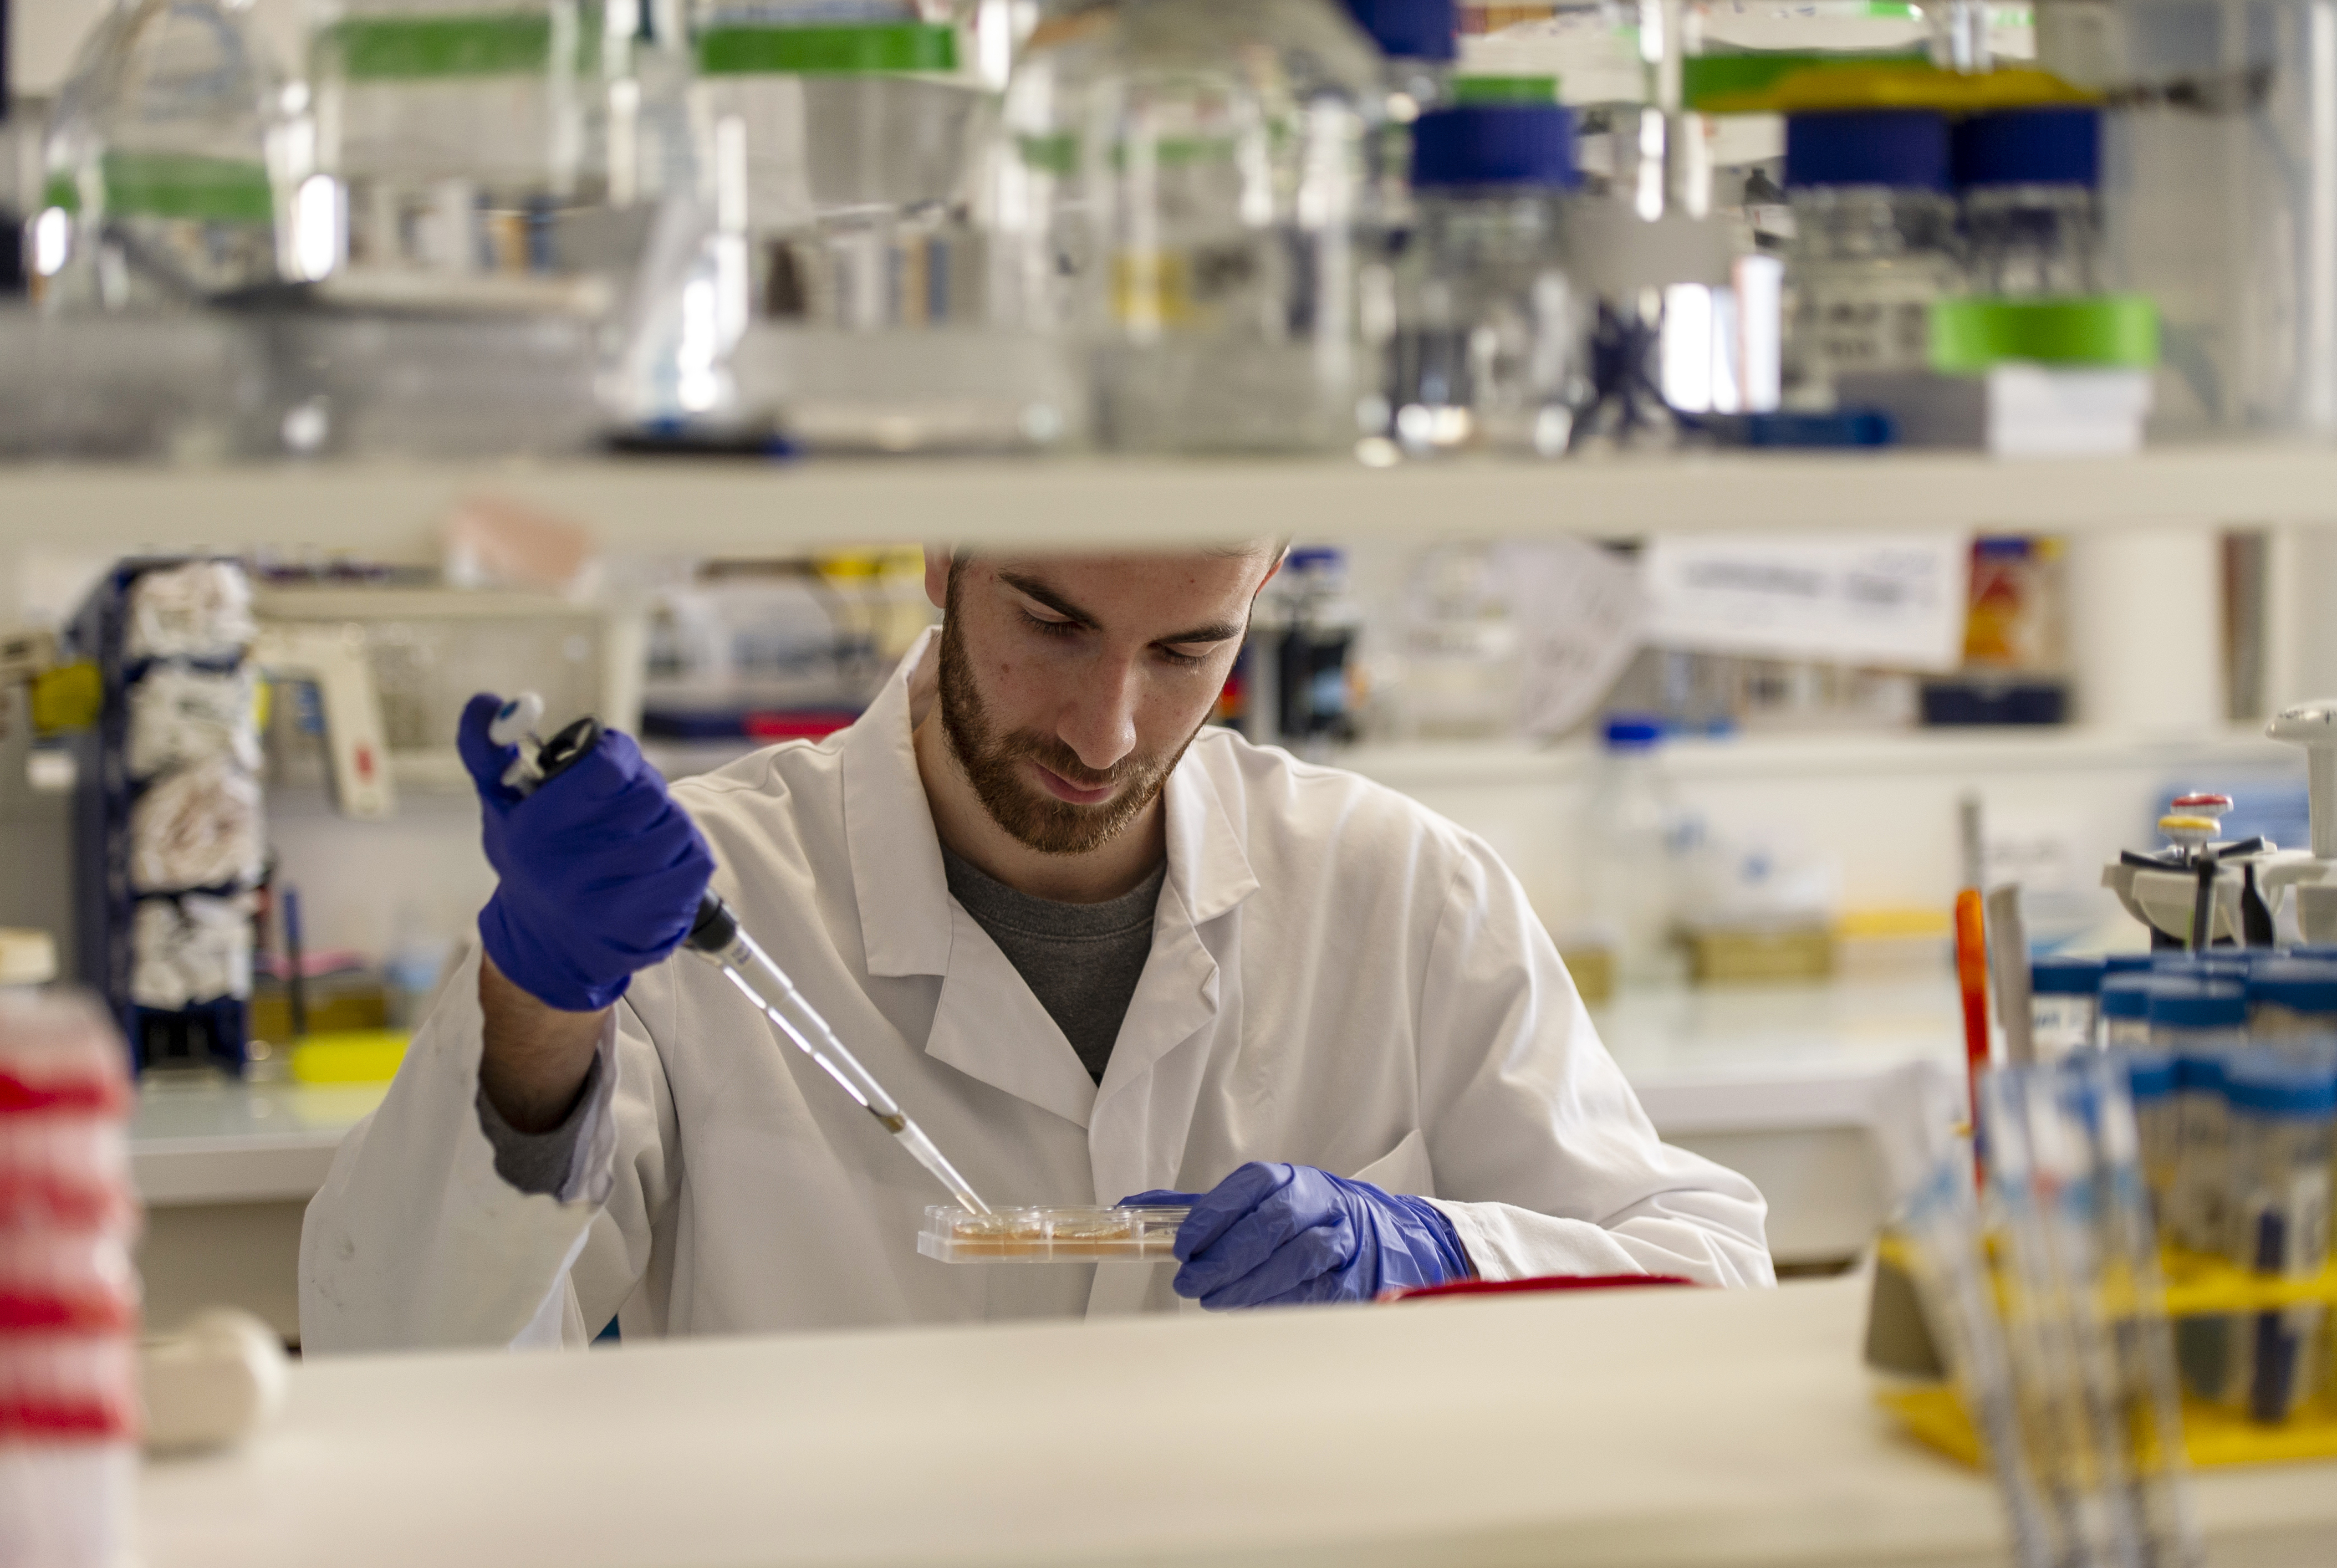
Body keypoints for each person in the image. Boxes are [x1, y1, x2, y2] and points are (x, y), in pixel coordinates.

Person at [302, 546, 1770, 1350]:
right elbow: (389, 1346)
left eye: (1186, 650)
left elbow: (1712, 1283)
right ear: (947, 556)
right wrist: (536, 1003)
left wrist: (1439, 1254)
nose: (1106, 729)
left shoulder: (1397, 892)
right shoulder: (703, 896)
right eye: (1054, 624)